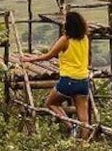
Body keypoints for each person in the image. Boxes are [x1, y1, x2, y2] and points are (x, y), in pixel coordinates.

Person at [22, 10, 91, 138]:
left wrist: (29, 59)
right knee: (84, 118)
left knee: (50, 103)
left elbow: (49, 55)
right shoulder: (85, 39)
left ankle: (71, 126)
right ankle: (84, 144)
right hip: (83, 81)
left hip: (68, 80)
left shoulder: (65, 40)